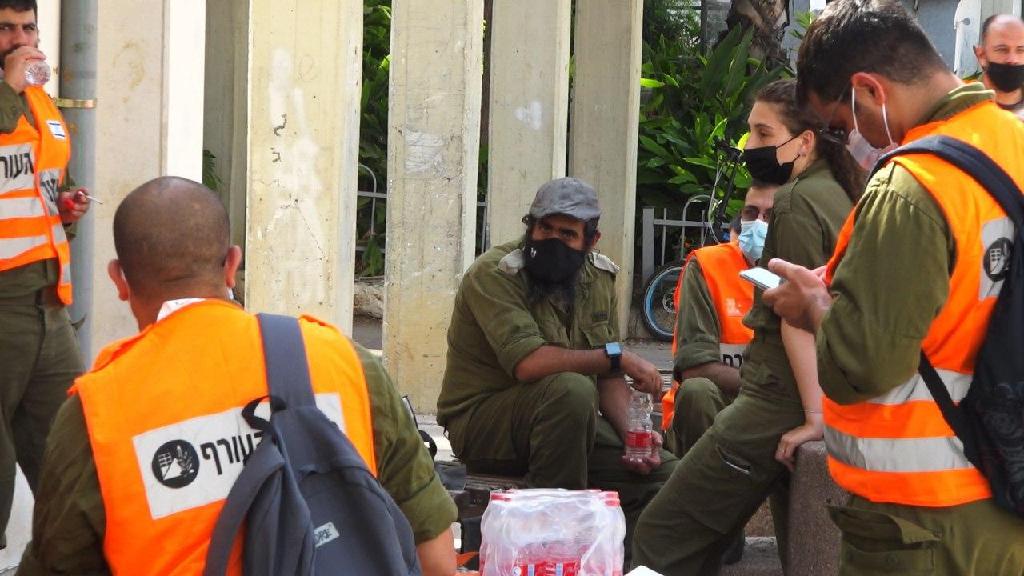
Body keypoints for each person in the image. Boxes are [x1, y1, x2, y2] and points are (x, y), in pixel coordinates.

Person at [17, 177, 458, 575]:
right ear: (231, 265)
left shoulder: (98, 412)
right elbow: (436, 558)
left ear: (119, 280)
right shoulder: (343, 362)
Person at [761, 1, 1024, 573]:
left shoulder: (912, 187)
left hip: (926, 523)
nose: (845, 139)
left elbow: (865, 364)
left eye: (839, 123)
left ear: (869, 90)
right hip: (1009, 494)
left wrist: (813, 306)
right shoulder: (1013, 143)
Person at [632, 78, 863, 576]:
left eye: (763, 133)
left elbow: (797, 319)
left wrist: (813, 416)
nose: (751, 147)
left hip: (774, 396)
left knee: (659, 535)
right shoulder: (840, 190)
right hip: (809, 390)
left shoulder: (799, 201)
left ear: (804, 140)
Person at [437, 177, 678, 550]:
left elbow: (608, 378)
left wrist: (634, 433)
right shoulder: (494, 274)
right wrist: (618, 356)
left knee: (667, 474)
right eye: (543, 228)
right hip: (485, 423)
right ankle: (551, 539)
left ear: (590, 241)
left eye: (566, 234)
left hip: (565, 423)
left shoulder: (598, 277)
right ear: (529, 226)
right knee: (571, 389)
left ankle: (623, 559)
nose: (551, 240)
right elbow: (528, 364)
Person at [0, 0, 91, 549]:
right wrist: (9, 88)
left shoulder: (41, 104)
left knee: (75, 454)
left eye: (28, 27)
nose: (18, 39)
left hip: (47, 307)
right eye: (4, 29)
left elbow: (42, 186)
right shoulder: (13, 95)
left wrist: (67, 208)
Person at [663, 181, 778, 458]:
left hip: (778, 404)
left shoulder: (807, 266)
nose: (759, 223)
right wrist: (769, 386)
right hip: (721, 398)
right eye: (751, 213)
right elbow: (694, 369)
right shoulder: (707, 265)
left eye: (770, 216)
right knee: (696, 391)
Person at [974, 14, 1024, 120]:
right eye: (1002, 49)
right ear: (981, 55)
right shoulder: (960, 107)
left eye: (1020, 50)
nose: (1012, 59)